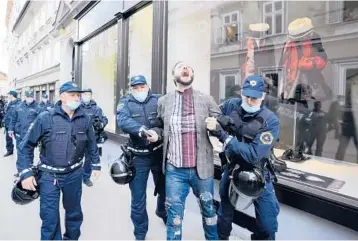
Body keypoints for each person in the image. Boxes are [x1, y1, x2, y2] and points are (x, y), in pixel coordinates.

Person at [17, 81, 101, 240]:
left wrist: (96, 165)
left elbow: (91, 143)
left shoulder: (85, 118)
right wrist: (26, 173)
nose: (77, 98)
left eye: (78, 95)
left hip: (74, 175)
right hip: (49, 177)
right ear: (62, 96)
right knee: (50, 218)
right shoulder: (45, 118)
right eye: (72, 95)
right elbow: (26, 146)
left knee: (74, 214)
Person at [207, 75, 280, 240]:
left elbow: (253, 154)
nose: (250, 100)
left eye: (255, 97)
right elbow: (213, 113)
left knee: (268, 225)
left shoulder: (270, 121)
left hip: (259, 172)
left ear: (262, 96)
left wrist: (224, 136)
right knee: (224, 212)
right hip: (233, 168)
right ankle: (221, 237)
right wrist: (218, 121)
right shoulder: (231, 105)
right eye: (247, 96)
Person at [154, 61, 221, 240]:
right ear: (173, 75)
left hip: (202, 170)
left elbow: (221, 122)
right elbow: (160, 127)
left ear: (192, 75)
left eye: (189, 67)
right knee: (174, 217)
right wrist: (155, 134)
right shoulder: (163, 101)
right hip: (175, 170)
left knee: (209, 213)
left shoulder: (206, 99)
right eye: (181, 67)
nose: (185, 69)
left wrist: (217, 125)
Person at [117, 75, 166, 240]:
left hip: (158, 154)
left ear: (147, 86)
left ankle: (162, 211)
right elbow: (122, 121)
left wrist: (157, 133)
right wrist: (143, 131)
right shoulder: (126, 103)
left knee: (165, 190)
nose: (139, 90)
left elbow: (165, 123)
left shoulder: (159, 100)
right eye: (135, 88)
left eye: (142, 87)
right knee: (138, 198)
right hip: (138, 158)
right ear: (131, 89)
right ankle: (140, 233)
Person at [81, 88, 108, 187]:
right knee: (76, 158)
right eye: (84, 94)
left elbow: (104, 119)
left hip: (92, 138)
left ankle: (86, 177)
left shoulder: (96, 108)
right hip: (79, 139)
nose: (86, 96)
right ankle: (76, 176)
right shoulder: (78, 107)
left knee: (88, 159)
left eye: (88, 94)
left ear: (91, 96)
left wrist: (101, 124)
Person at [8, 90, 40, 157]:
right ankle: (20, 167)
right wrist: (10, 129)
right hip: (19, 134)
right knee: (20, 151)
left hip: (30, 135)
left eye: (31, 96)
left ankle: (29, 165)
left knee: (29, 152)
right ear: (25, 97)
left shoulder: (38, 108)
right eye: (28, 96)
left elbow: (40, 122)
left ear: (33, 97)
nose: (29, 98)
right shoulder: (18, 106)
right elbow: (13, 119)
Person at [3, 90, 21, 157]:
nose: (8, 95)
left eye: (9, 94)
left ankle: (20, 153)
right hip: (8, 124)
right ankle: (9, 151)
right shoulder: (10, 103)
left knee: (18, 139)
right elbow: (7, 113)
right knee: (8, 139)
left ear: (12, 95)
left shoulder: (18, 103)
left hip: (15, 125)